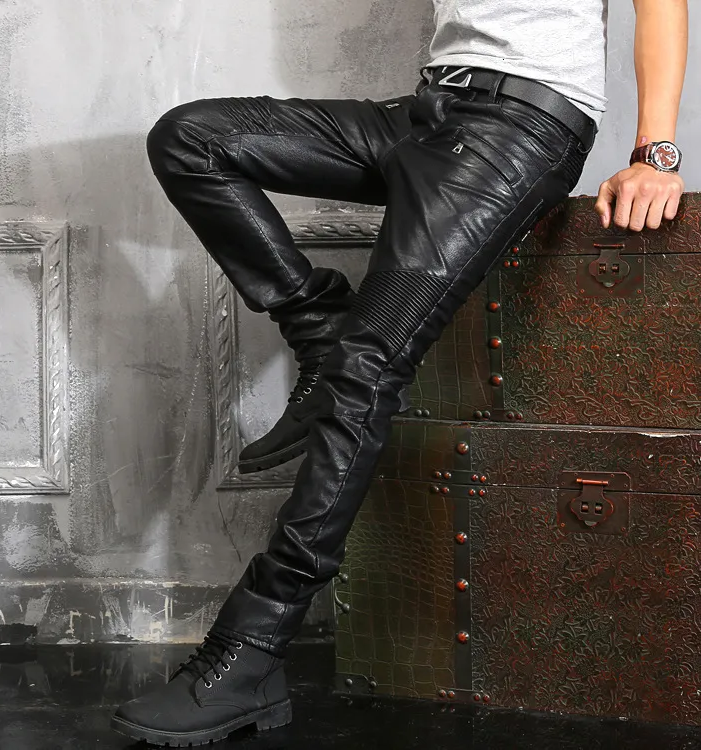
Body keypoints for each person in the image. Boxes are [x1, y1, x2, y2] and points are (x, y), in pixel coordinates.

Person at [112, 0, 687, 745]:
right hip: (429, 111)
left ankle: (250, 648)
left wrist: (655, 153)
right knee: (192, 138)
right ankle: (317, 327)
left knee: (369, 363)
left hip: (518, 131)